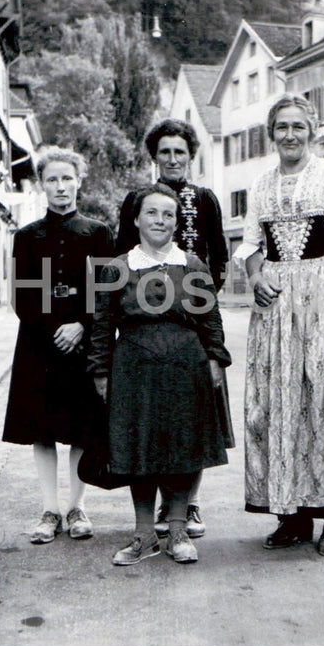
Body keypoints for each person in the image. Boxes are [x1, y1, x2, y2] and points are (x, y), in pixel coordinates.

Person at [234, 94, 324, 557]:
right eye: (282, 127)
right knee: (278, 404)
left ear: (312, 131)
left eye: (299, 126)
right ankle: (292, 515)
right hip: (276, 308)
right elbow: (251, 244)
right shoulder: (260, 185)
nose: (291, 135)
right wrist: (256, 275)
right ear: (271, 133)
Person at [87, 184, 231, 565]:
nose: (160, 221)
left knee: (185, 447)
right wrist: (101, 371)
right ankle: (144, 534)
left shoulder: (193, 265)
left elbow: (210, 320)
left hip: (188, 368)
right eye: (152, 213)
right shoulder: (118, 268)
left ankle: (179, 530)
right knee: (139, 450)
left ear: (176, 222)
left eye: (168, 214)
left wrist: (215, 359)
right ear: (136, 219)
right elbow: (102, 326)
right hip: (134, 369)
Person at [116, 118, 229, 539]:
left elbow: (218, 255)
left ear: (191, 155)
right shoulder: (137, 199)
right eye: (165, 151)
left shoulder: (205, 198)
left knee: (192, 419)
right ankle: (156, 512)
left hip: (193, 317)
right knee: (151, 416)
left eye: (180, 151)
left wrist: (198, 302)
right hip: (146, 319)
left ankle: (188, 505)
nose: (173, 158)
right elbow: (119, 252)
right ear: (154, 156)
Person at [2, 146, 115, 544]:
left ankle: (76, 507)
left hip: (84, 343)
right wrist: (56, 328)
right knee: (43, 428)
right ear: (41, 185)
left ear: (79, 180)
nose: (60, 186)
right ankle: (50, 509)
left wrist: (82, 325)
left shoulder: (98, 232)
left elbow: (106, 289)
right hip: (40, 343)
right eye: (52, 179)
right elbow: (23, 295)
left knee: (82, 427)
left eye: (67, 178)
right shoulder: (27, 236)